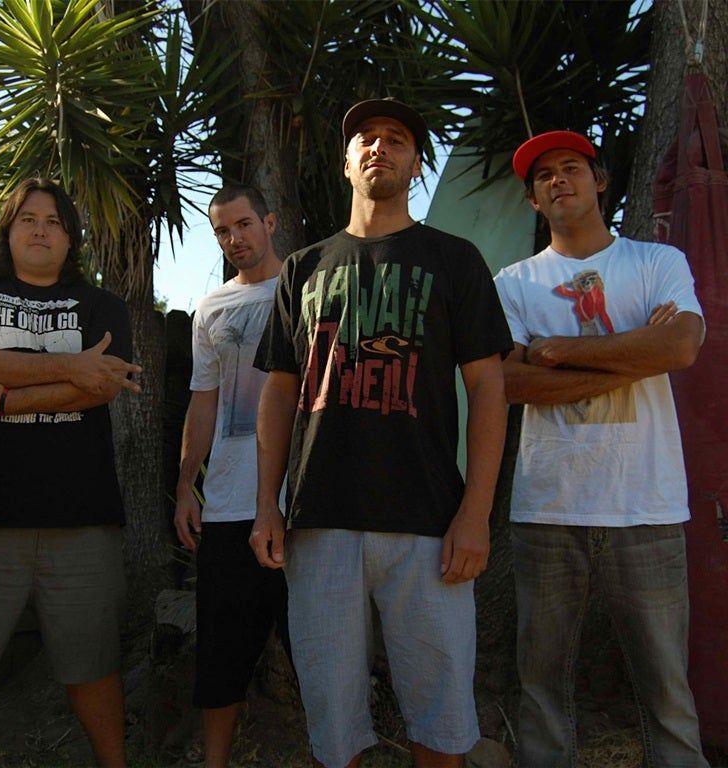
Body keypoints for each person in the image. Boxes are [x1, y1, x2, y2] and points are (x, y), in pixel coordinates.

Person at [251, 98, 512, 768]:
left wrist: (476, 513)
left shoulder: (455, 259)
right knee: (333, 724)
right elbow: (278, 393)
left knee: (443, 721)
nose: (379, 147)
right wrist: (265, 506)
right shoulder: (302, 268)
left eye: (396, 139)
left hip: (429, 523)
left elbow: (489, 389)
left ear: (416, 164)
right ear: (346, 163)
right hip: (319, 520)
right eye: (365, 137)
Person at [494, 130, 708, 768]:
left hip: (647, 505)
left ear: (601, 180)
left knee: (667, 686)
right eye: (544, 176)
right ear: (533, 200)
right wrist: (636, 354)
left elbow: (681, 346)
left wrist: (559, 351)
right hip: (547, 507)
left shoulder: (656, 262)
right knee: (541, 681)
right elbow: (506, 383)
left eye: (571, 168)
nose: (558, 180)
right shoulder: (514, 282)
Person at [0, 177, 140, 768]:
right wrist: (71, 367)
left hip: (81, 518)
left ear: (71, 238)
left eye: (54, 222)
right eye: (28, 220)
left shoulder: (103, 305)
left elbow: (104, 386)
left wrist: (2, 393)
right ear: (8, 231)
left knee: (94, 669)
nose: (41, 231)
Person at [174, 184, 291, 768]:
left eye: (244, 224)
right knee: (220, 653)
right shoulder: (210, 308)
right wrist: (184, 487)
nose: (234, 238)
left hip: (302, 501)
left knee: (320, 651)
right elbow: (203, 401)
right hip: (225, 505)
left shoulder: (308, 287)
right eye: (222, 230)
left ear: (269, 222)